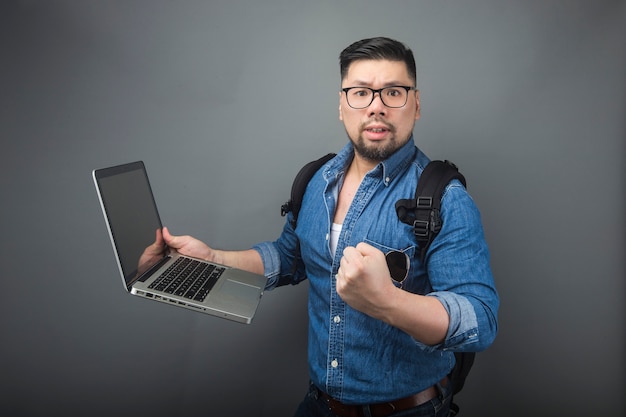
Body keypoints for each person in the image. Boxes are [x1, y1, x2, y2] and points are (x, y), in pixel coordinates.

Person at [161, 37, 499, 417]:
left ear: (416, 104)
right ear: (342, 105)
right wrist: (213, 257)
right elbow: (289, 258)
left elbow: (480, 318)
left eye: (393, 92)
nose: (376, 107)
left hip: (408, 411)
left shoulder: (443, 197)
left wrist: (388, 303)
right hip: (319, 407)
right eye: (360, 93)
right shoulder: (316, 180)